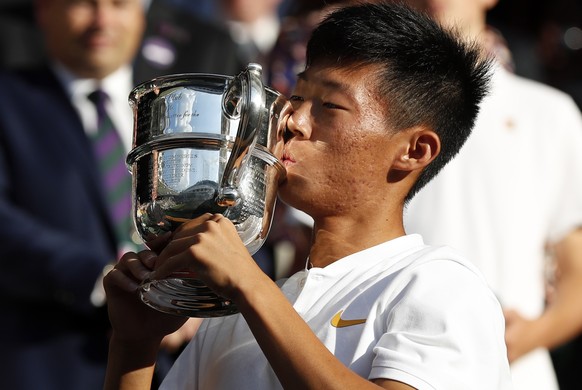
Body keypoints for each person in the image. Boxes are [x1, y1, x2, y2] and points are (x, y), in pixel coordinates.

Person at [103, 2, 512, 389]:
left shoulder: (438, 285)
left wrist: (250, 287)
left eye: (330, 106)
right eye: (296, 98)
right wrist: (134, 346)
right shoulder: (232, 315)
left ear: (414, 150)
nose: (293, 122)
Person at [0, 0, 193, 388]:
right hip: (48, 364)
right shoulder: (8, 101)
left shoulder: (183, 107)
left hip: (175, 369)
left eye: (119, 4)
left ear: (142, 15)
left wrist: (195, 293)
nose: (102, 20)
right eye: (82, 4)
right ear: (43, 11)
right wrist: (103, 281)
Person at [401, 1, 582, 389]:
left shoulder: (552, 114)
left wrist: (529, 335)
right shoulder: (363, 109)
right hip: (386, 369)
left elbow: (577, 278)